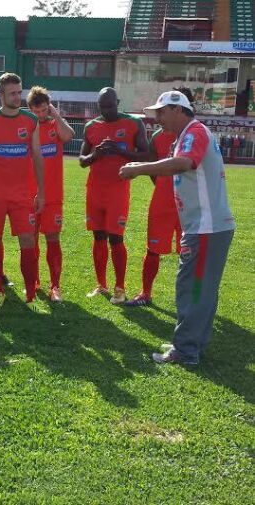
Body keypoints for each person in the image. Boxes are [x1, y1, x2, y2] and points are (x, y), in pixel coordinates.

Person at [120, 90, 235, 365]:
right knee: (201, 289)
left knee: (192, 288)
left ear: (178, 110)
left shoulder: (194, 132)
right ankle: (193, 343)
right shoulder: (191, 133)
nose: (157, 117)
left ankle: (185, 351)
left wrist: (139, 168)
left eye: (161, 111)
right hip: (208, 227)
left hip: (206, 228)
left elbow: (184, 163)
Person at [0, 73, 44, 308]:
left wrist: (41, 192)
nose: (18, 96)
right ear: (1, 94)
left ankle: (31, 294)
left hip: (22, 194)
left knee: (27, 240)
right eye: (12, 93)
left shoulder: (30, 120)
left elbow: (37, 157)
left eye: (19, 91)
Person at [79, 87, 149, 304]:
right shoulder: (91, 127)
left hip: (118, 190)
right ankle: (101, 284)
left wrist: (120, 152)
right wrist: (96, 154)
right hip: (95, 189)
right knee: (98, 236)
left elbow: (146, 155)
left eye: (110, 105)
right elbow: (82, 160)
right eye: (103, 106)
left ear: (118, 102)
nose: (107, 110)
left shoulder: (133, 123)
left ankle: (120, 288)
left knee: (115, 238)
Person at [126, 87, 194, 307]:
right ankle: (146, 293)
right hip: (163, 202)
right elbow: (156, 170)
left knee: (192, 252)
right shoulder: (157, 136)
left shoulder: (195, 134)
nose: (161, 117)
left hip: (190, 204)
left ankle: (193, 299)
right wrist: (165, 187)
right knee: (153, 248)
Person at [26, 86, 75, 302]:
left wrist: (55, 114)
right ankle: (34, 282)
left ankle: (55, 287)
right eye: (35, 111)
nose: (40, 115)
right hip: (29, 195)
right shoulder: (25, 128)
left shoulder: (55, 125)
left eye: (44, 110)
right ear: (29, 110)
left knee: (52, 238)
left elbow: (69, 135)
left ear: (49, 108)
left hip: (53, 195)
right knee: (31, 239)